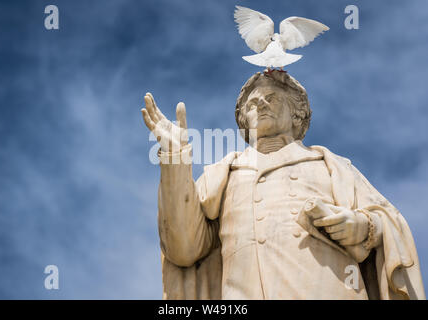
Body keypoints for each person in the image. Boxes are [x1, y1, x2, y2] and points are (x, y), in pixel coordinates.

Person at [141, 71, 425, 299]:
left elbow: (391, 223)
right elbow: (183, 250)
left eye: (273, 99)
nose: (261, 104)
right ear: (244, 120)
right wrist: (174, 157)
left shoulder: (328, 165)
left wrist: (364, 227)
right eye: (253, 103)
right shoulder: (223, 175)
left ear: (297, 114)